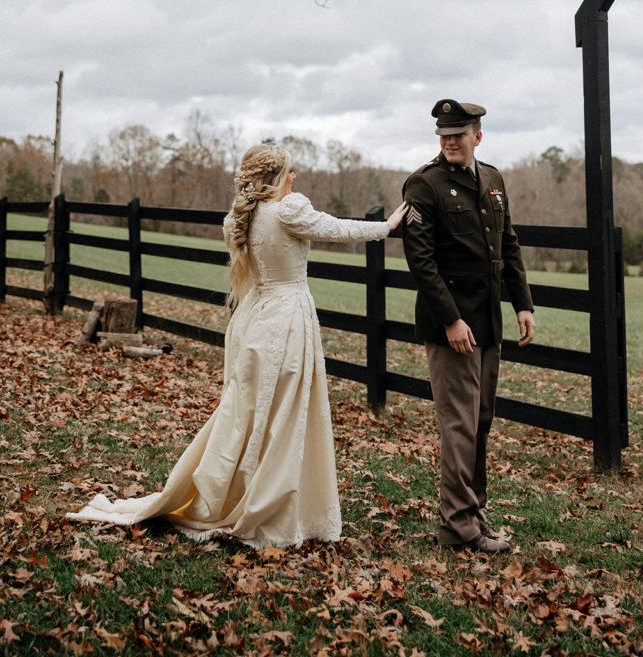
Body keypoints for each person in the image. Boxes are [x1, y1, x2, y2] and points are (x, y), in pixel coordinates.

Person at [68, 143, 407, 550]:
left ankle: (242, 491)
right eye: (290, 171)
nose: (295, 177)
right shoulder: (289, 210)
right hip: (286, 319)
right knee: (283, 413)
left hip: (252, 320)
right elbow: (337, 229)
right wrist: (385, 227)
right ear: (276, 176)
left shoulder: (237, 219)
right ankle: (268, 504)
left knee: (249, 412)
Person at [402, 100, 535, 555]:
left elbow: (509, 245)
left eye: (458, 133)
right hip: (451, 325)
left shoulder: (493, 179)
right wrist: (451, 320)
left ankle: (472, 512)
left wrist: (522, 303)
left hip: (488, 322)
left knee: (480, 421)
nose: (450, 140)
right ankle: (458, 527)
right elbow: (420, 261)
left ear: (477, 135)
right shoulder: (425, 184)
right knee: (459, 425)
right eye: (444, 134)